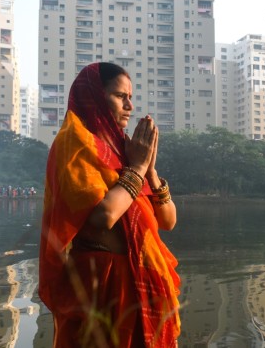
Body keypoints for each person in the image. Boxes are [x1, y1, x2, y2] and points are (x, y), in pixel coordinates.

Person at [39, 62, 180, 347]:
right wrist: (138, 168)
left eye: (130, 97)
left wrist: (150, 170)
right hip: (103, 284)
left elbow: (168, 221)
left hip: (139, 279)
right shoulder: (75, 142)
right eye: (120, 96)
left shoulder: (122, 150)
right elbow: (104, 216)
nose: (130, 105)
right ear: (94, 97)